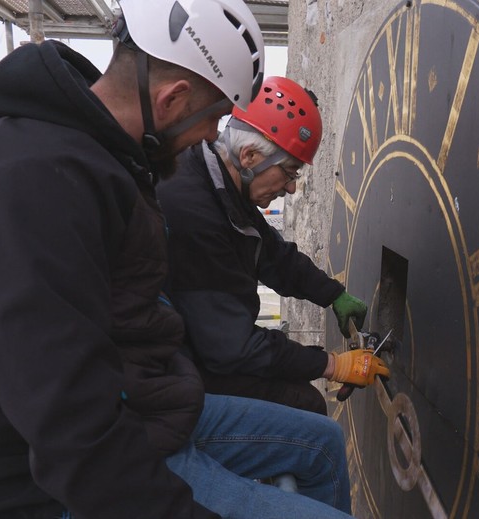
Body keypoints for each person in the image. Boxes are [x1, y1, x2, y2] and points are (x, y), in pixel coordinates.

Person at [0, 1, 354, 518]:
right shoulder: (33, 184)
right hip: (56, 482)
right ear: (173, 98)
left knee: (322, 445)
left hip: (147, 408)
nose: (215, 135)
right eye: (215, 116)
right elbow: (68, 427)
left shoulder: (106, 156)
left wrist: (332, 294)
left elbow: (266, 250)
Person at [157, 76, 389, 416]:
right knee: (306, 409)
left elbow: (274, 257)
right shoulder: (194, 211)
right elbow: (232, 348)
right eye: (290, 172)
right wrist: (331, 365)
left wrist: (331, 294)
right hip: (174, 373)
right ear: (250, 156)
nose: (292, 189)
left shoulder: (221, 186)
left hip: (199, 348)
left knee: (298, 397)